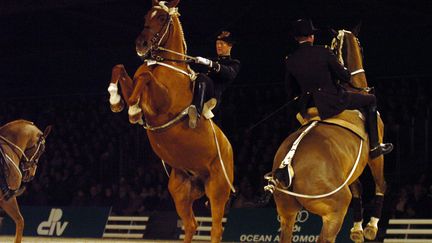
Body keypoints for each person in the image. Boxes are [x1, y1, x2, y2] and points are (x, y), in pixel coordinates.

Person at [284, 19, 393, 159]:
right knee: (371, 99)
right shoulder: (323, 51)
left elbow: (290, 89)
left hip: (307, 105)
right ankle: (375, 146)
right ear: (312, 36)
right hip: (332, 101)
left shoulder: (290, 59)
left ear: (296, 38)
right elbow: (345, 76)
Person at [188, 30, 241, 128]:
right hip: (200, 92)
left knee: (202, 77)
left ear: (230, 46)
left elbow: (228, 73)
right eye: (217, 43)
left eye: (222, 43)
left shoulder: (234, 63)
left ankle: (196, 110)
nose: (218, 46)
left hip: (212, 97)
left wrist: (211, 64)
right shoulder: (212, 60)